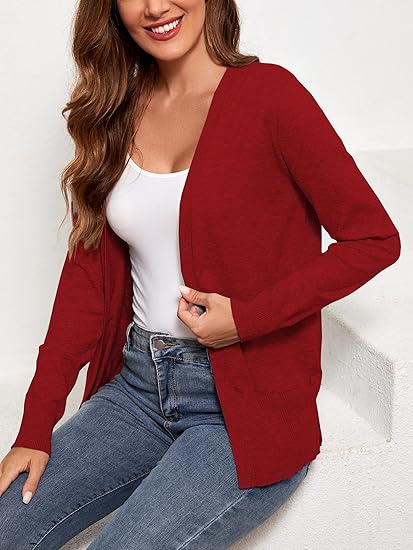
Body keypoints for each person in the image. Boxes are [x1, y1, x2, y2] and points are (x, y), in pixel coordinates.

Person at [0, 1, 401, 549]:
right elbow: (84, 289)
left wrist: (247, 319)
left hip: (242, 410)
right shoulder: (113, 112)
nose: (155, 7)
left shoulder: (270, 96)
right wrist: (35, 427)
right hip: (137, 390)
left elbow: (374, 240)